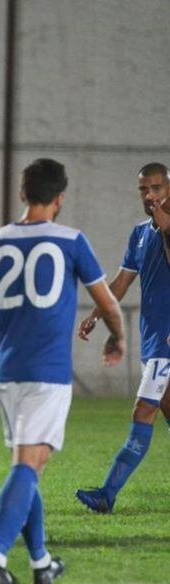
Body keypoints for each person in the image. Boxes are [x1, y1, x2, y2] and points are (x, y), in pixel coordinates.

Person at [0, 158, 125, 584]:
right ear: (61, 198)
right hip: (47, 374)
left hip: (8, 374)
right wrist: (117, 337)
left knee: (27, 466)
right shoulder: (71, 241)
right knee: (29, 466)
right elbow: (106, 302)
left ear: (23, 194)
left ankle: (41, 561)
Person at [75, 163, 170, 513]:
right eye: (144, 190)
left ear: (169, 188)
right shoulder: (140, 233)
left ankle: (107, 494)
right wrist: (97, 314)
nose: (150, 196)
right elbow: (120, 282)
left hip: (167, 344)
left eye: (157, 188)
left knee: (143, 409)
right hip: (153, 339)